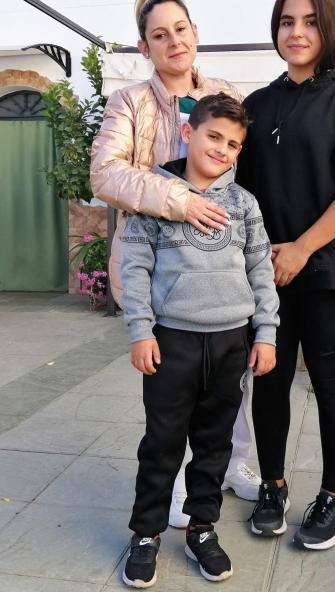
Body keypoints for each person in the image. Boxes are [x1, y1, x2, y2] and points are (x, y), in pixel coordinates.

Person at [90, 0, 262, 527]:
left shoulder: (225, 92)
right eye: (159, 35)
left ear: (195, 33)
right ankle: (172, 491)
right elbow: (105, 173)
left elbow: (263, 137)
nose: (173, 41)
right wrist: (177, 200)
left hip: (221, 266)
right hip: (162, 270)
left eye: (180, 29)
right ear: (145, 47)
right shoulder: (130, 104)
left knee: (229, 387)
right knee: (173, 393)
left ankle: (230, 467)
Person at [236, 0, 335, 550]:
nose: (296, 33)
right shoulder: (257, 106)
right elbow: (239, 186)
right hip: (270, 271)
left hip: (328, 269)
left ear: (330, 28)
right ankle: (272, 486)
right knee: (270, 379)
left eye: (309, 21)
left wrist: (303, 247)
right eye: (285, 21)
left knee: (329, 382)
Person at [118, 94, 279, 587]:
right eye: (214, 137)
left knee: (215, 444)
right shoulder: (154, 197)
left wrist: (266, 333)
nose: (223, 150)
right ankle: (146, 533)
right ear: (189, 133)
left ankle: (201, 527)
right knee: (162, 442)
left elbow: (261, 271)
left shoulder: (244, 204)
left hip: (231, 342)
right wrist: (141, 331)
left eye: (233, 144)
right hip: (173, 342)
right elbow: (135, 267)